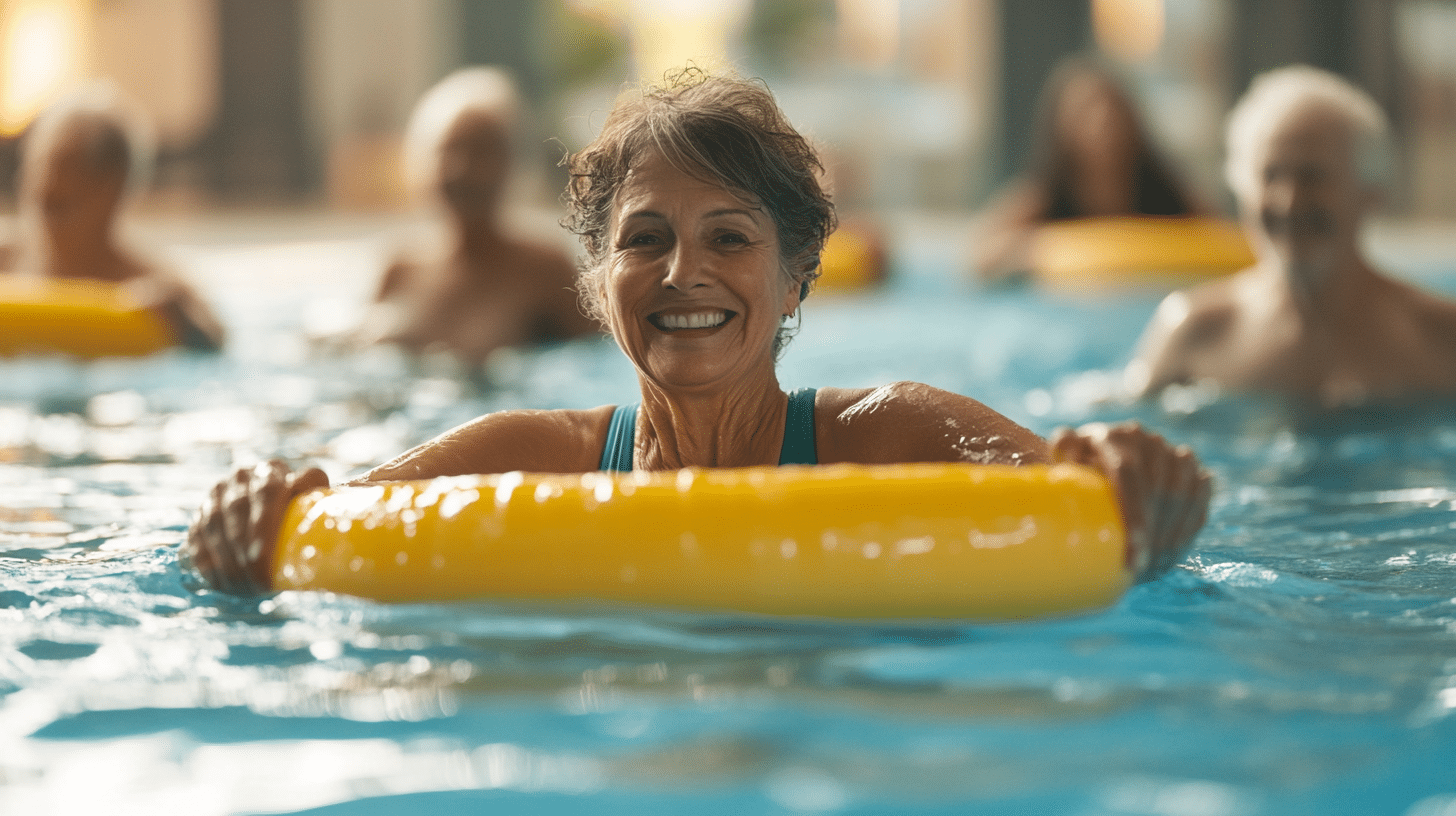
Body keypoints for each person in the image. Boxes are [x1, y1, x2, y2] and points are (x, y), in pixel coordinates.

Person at [187, 69, 1211, 598]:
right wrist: (253, 507)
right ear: (596, 283)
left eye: (729, 237)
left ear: (795, 274)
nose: (684, 274)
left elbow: (1101, 507)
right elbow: (319, 519)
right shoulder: (526, 459)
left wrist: (1133, 484)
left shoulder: (902, 434)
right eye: (644, 239)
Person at [1126, 65, 1456, 407]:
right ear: (1241, 190)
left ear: (1372, 192)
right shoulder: (1194, 331)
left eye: (1312, 176)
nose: (1290, 201)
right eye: (1270, 175)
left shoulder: (1444, 337)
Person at [348, 68, 597, 366]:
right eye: (449, 150)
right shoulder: (397, 267)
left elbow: (596, 365)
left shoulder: (545, 271)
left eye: (483, 151)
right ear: (420, 161)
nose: (463, 169)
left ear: (513, 162)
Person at [7, 84, 224, 351]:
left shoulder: (153, 286)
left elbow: (217, 344)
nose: (45, 182)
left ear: (112, 188)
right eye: (41, 162)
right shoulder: (7, 258)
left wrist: (184, 324)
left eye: (65, 163)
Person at [974, 58, 1204, 283]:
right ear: (1061, 126)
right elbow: (978, 256)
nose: (1104, 118)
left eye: (1113, 106)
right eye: (1087, 108)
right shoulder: (1042, 199)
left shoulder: (1168, 193)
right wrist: (1037, 251)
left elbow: (1225, 241)